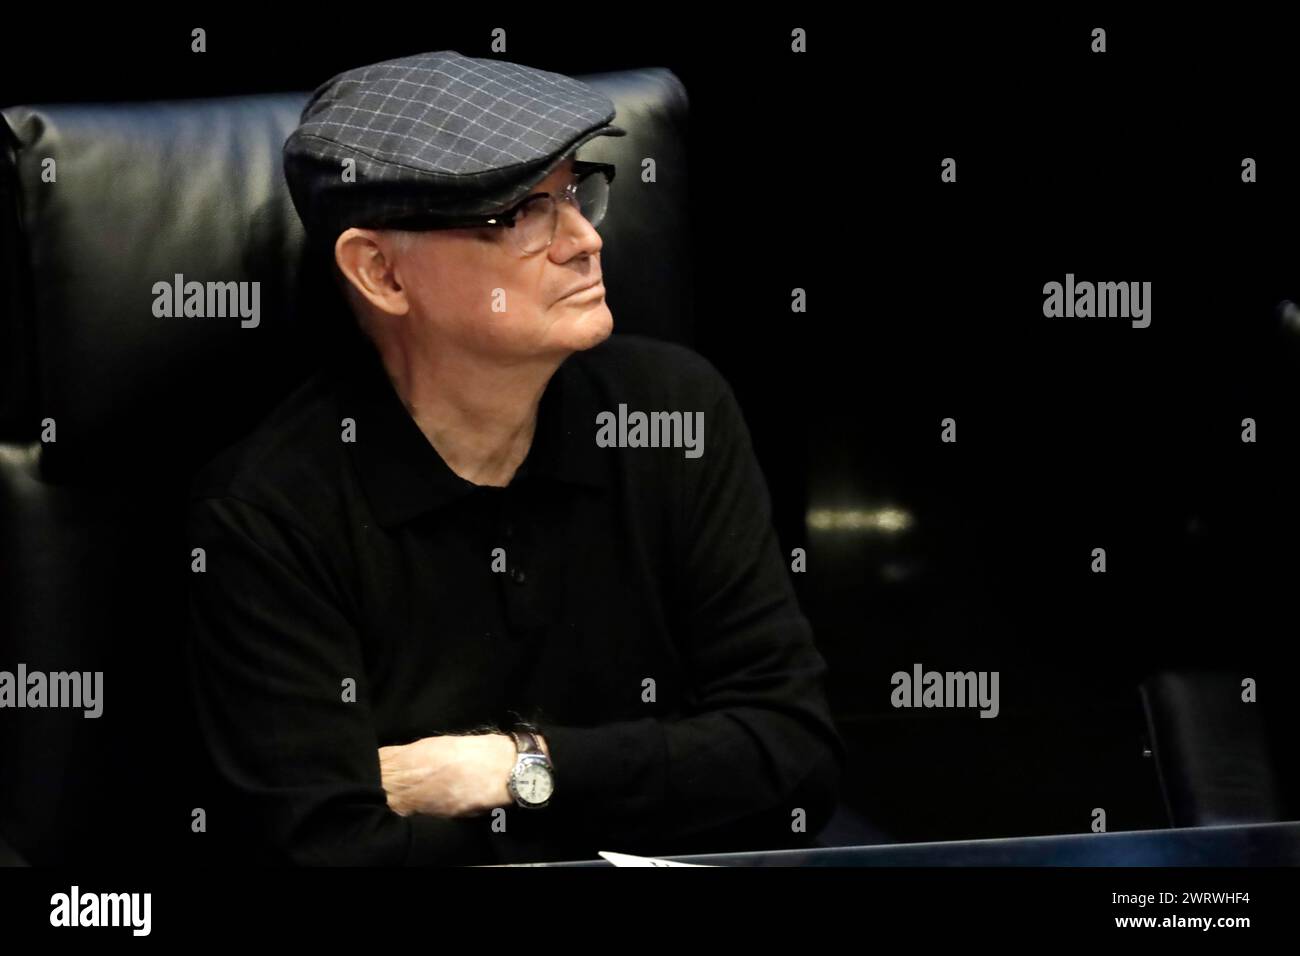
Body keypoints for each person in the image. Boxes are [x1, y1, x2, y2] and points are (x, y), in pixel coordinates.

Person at [184, 49, 845, 866]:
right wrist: (656, 778)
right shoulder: (268, 517)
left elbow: (795, 757)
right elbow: (329, 850)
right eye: (518, 213)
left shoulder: (673, 413)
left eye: (576, 193)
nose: (584, 240)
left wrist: (517, 767)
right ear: (379, 271)